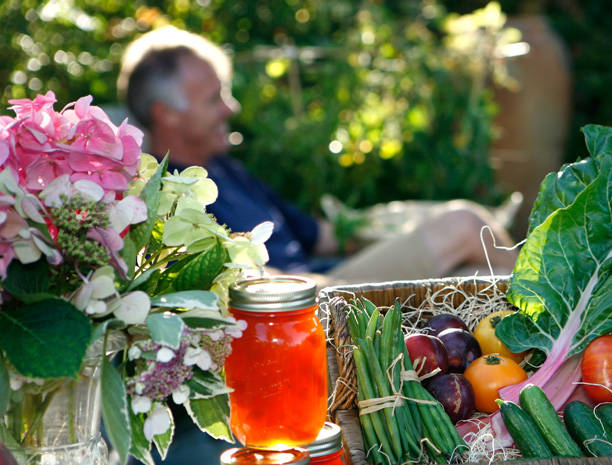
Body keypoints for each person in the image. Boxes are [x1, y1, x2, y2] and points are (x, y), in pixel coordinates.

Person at [117, 26, 518, 287]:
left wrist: (393, 223)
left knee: (480, 275)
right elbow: (239, 282)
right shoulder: (164, 199)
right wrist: (325, 285)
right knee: (467, 225)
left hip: (329, 278)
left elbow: (321, 236)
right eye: (213, 98)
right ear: (166, 114)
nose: (230, 108)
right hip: (308, 302)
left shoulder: (223, 169)